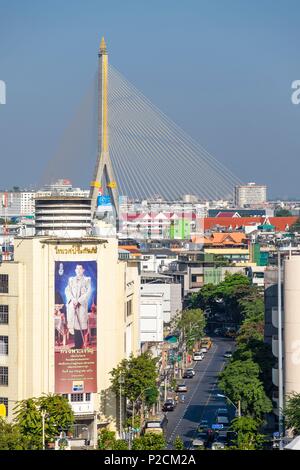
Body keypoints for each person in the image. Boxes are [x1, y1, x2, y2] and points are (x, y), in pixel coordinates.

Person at [65, 265, 92, 349]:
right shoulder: (71, 280)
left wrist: (79, 301)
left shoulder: (87, 280)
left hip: (81, 305)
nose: (78, 270)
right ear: (75, 270)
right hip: (73, 304)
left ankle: (79, 345)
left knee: (79, 324)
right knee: (74, 324)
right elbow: (67, 290)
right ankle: (76, 345)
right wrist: (73, 300)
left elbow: (88, 292)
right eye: (77, 268)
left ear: (83, 270)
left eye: (80, 268)